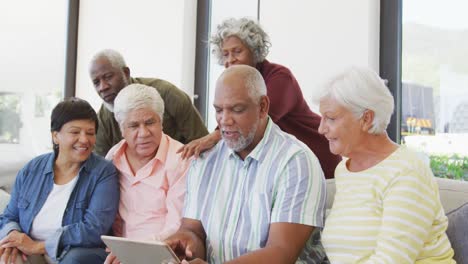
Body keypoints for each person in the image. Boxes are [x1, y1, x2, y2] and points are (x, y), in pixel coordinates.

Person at [165, 65, 327, 263]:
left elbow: (282, 253)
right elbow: (193, 230)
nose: (224, 120)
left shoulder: (295, 161)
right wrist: (185, 243)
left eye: (237, 109)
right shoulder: (205, 160)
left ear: (263, 107)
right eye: (218, 110)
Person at [318, 67, 455, 263]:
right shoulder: (345, 170)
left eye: (330, 118)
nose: (321, 128)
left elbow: (391, 260)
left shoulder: (407, 173)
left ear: (366, 119)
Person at [178, 17, 341, 179]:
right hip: (285, 163)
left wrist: (211, 138)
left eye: (237, 51)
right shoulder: (236, 86)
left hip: (319, 157)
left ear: (254, 51)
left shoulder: (280, 77)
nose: (230, 60)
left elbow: (256, 119)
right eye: (225, 54)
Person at [0, 98, 119, 264]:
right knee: (7, 257)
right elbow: (9, 216)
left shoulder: (104, 172)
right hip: (30, 248)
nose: (84, 140)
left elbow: (94, 229)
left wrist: (38, 246)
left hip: (72, 252)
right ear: (55, 136)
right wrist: (12, 237)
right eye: (75, 132)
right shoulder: (32, 169)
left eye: (90, 133)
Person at [103, 84, 190, 264]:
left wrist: (134, 251)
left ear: (161, 122)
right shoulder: (113, 157)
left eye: (150, 122)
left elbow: (177, 225)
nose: (143, 133)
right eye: (134, 126)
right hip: (119, 252)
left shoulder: (180, 159)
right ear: (122, 128)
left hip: (164, 253)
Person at [89, 49, 209, 156]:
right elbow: (101, 169)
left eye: (108, 77)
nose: (102, 87)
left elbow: (203, 143)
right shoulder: (101, 122)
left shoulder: (168, 94)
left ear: (125, 73)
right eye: (96, 82)